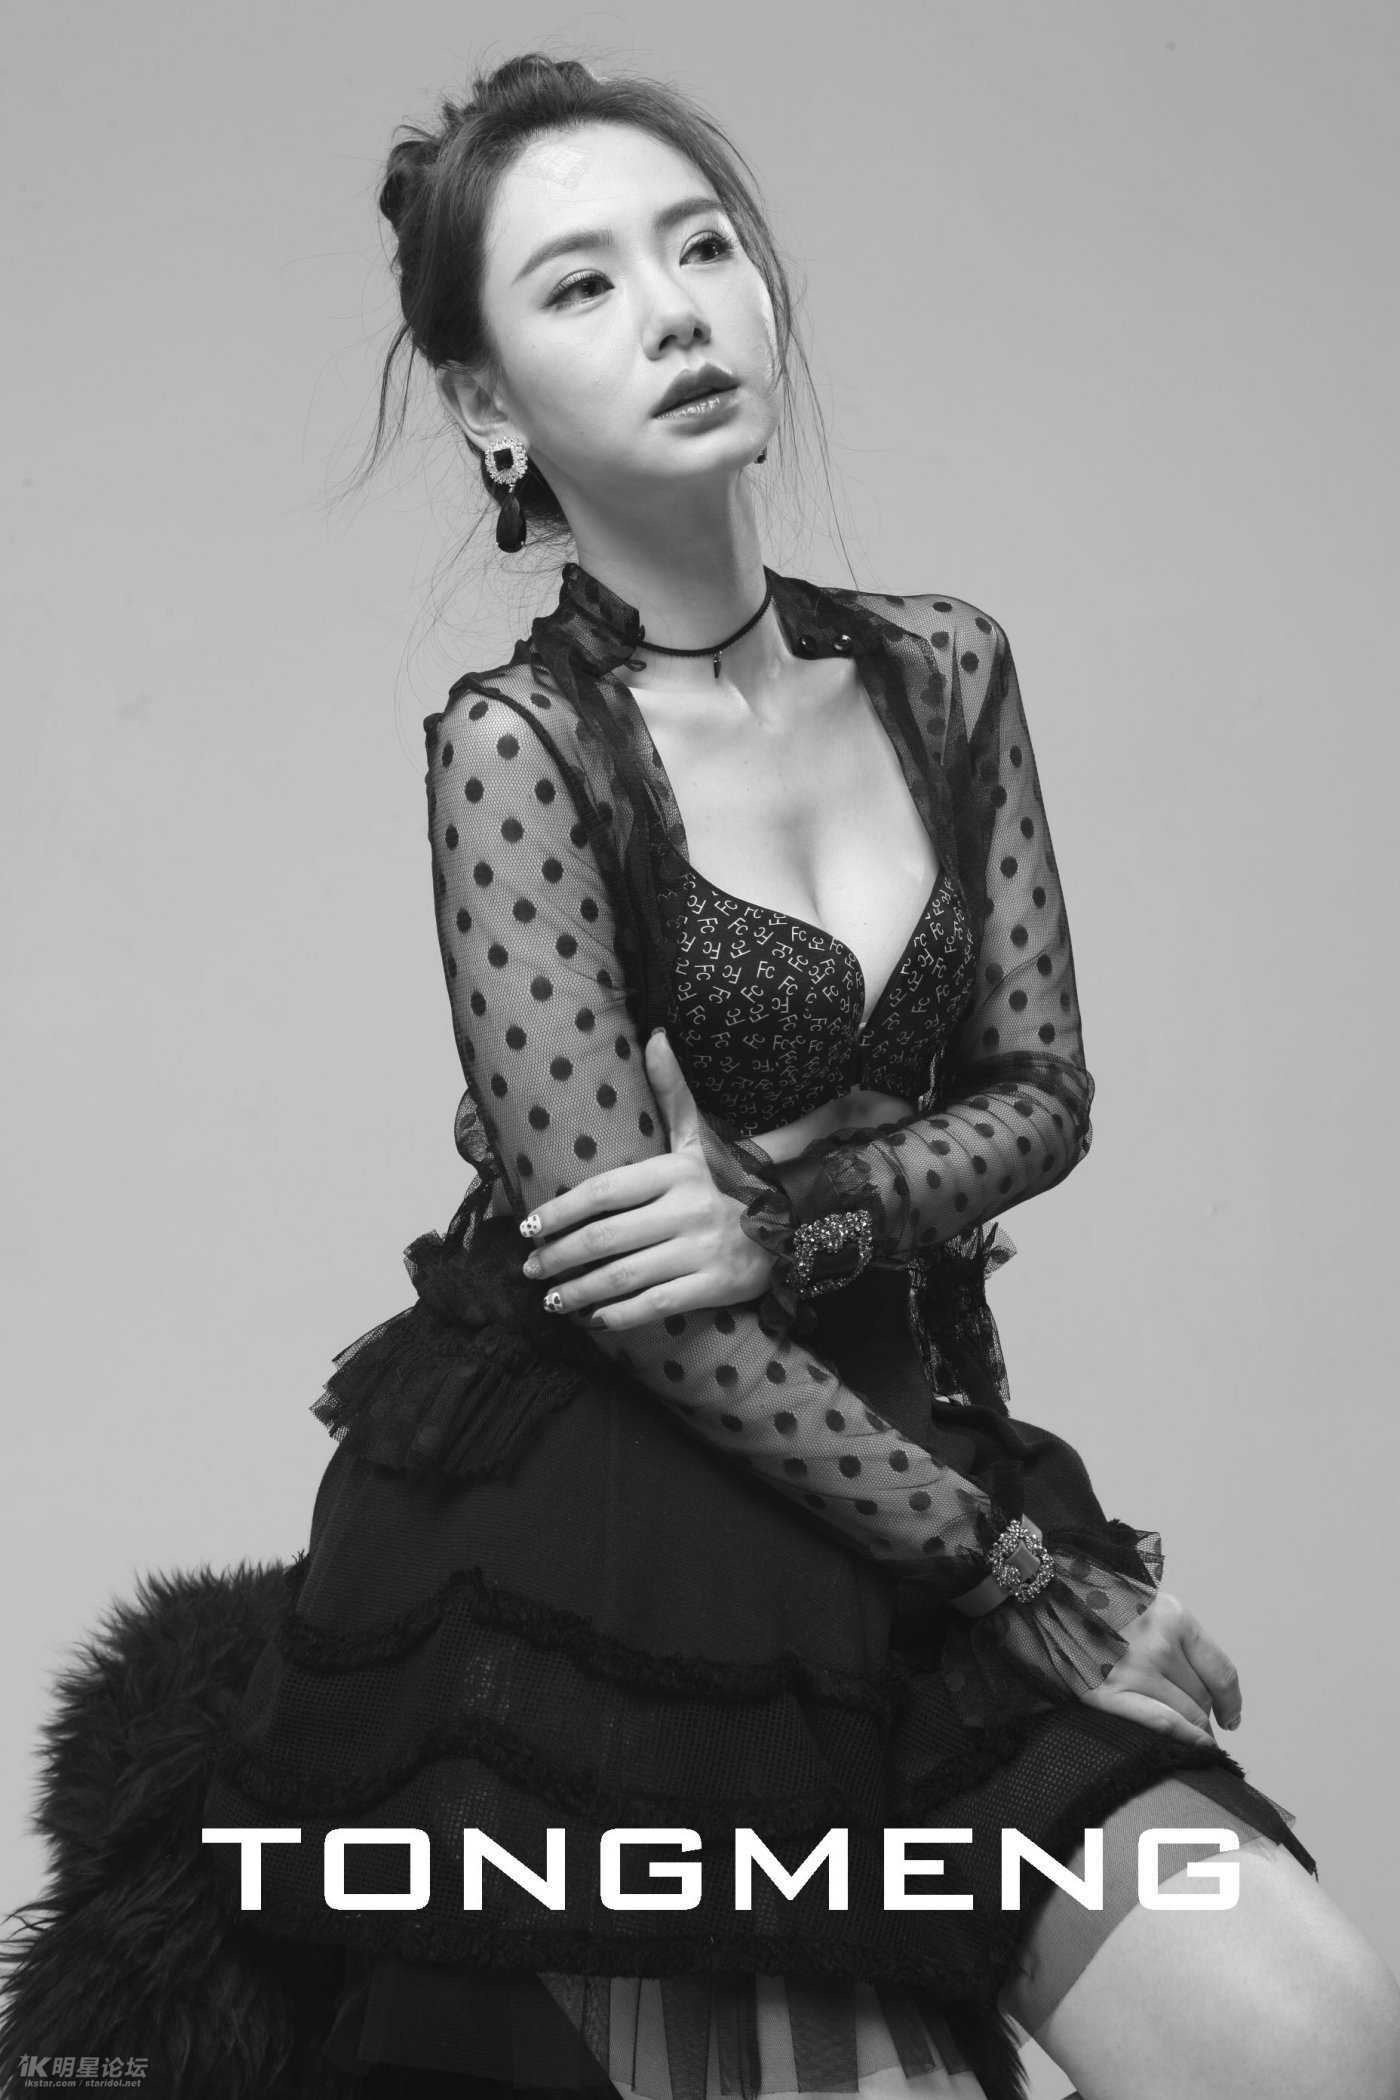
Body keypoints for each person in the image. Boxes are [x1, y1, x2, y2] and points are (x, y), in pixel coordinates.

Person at [200, 51, 1400, 2100]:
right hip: (620, 1534)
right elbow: (644, 1301)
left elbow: (1046, 1090)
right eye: (580, 285)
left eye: (702, 247)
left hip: (908, 1439)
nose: (673, 310)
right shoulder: (518, 751)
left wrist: (796, 1213)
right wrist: (1011, 1572)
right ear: (488, 408)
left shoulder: (943, 668)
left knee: (1318, 2053)